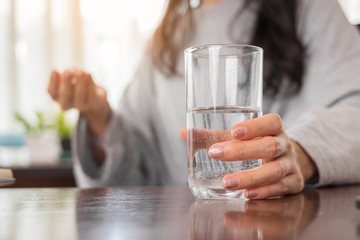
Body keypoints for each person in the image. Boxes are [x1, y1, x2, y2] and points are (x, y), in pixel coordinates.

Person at [47, 0, 360, 199]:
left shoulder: (311, 8)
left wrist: (299, 154)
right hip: (190, 223)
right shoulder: (167, 35)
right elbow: (135, 173)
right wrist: (99, 116)